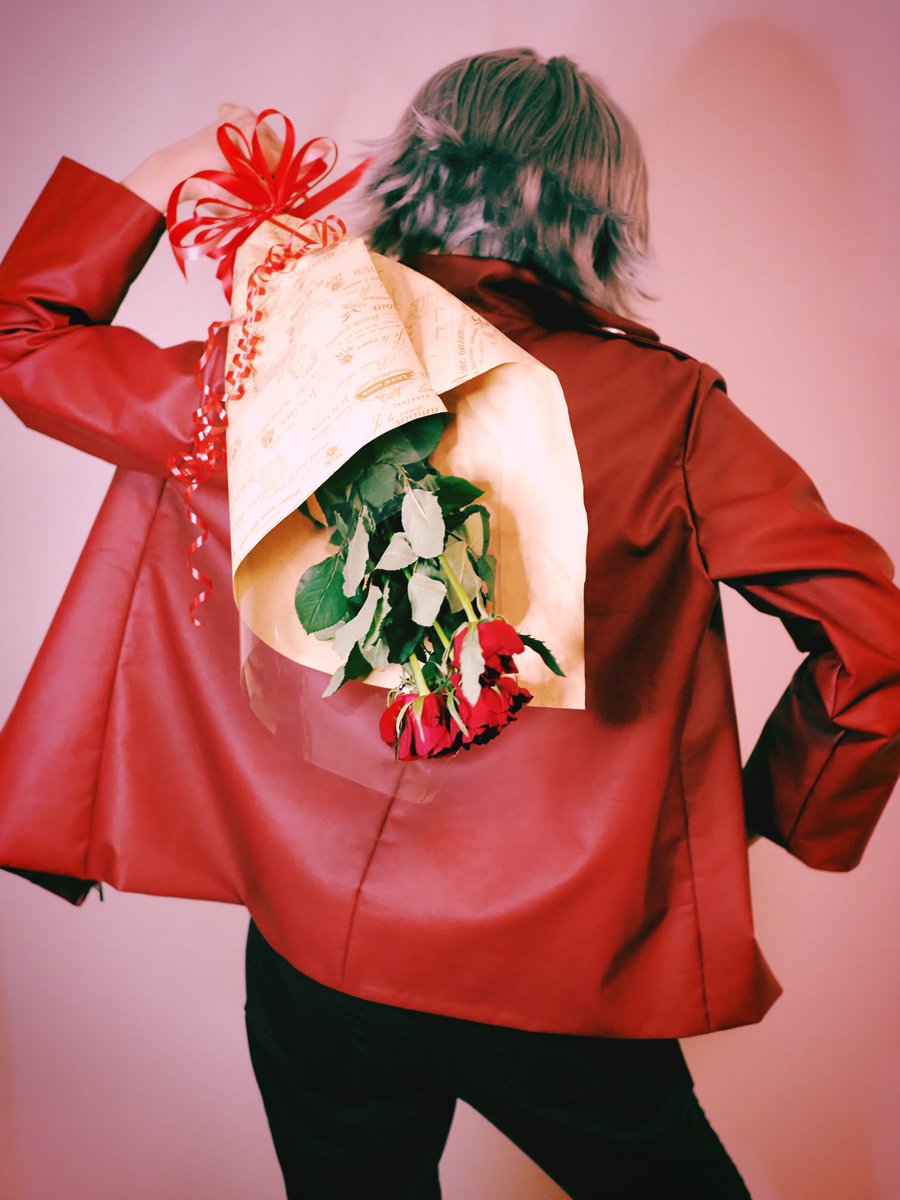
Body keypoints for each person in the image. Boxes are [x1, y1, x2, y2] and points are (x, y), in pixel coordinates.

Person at [2, 48, 899, 1200]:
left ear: (410, 174)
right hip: (555, 976)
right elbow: (874, 642)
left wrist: (175, 166)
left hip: (315, 962)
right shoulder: (670, 413)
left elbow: (25, 337)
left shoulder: (278, 368)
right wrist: (775, 812)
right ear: (599, 221)